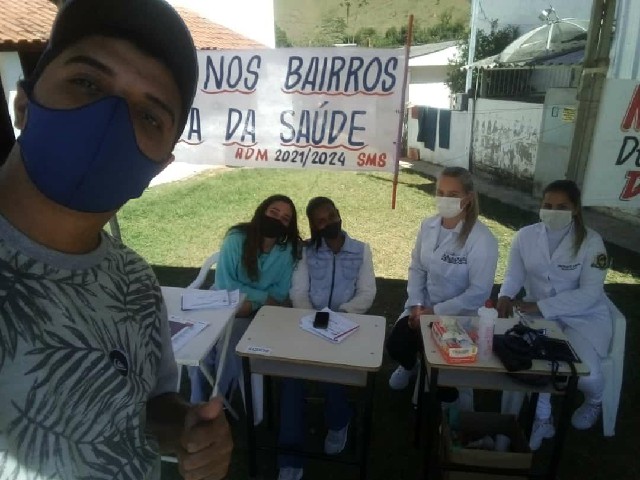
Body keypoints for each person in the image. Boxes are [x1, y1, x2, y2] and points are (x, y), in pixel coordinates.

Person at [0, 0, 233, 478]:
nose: (110, 121)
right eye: (87, 83)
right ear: (24, 104)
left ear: (158, 167)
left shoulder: (136, 283)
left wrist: (184, 428)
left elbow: (145, 405)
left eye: (149, 116)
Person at [497, 180, 612, 450]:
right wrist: (505, 294)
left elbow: (590, 293)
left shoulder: (591, 242)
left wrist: (540, 306)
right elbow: (514, 274)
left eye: (562, 207)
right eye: (548, 205)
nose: (553, 211)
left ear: (575, 209)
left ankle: (594, 401)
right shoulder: (525, 236)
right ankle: (543, 417)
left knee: (586, 374)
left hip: (583, 316)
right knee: (537, 364)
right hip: (538, 313)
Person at [278, 196, 376, 480]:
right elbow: (299, 292)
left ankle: (338, 421)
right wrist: (315, 321)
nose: (329, 223)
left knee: (334, 371)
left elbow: (367, 292)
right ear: (313, 226)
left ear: (339, 214)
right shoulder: (305, 252)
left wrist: (342, 316)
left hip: (347, 326)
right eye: (321, 221)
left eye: (332, 216)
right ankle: (290, 457)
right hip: (309, 325)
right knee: (292, 379)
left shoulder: (361, 250)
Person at [386, 167, 498, 397]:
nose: (445, 199)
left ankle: (438, 382)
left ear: (468, 198)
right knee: (397, 345)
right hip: (423, 306)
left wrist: (435, 312)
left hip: (459, 315)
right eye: (440, 192)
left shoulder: (482, 239)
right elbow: (417, 267)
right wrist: (416, 304)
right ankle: (411, 366)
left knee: (444, 383)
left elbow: (479, 292)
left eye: (453, 194)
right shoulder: (428, 226)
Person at [189, 194, 301, 403]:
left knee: (229, 344)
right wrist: (258, 297)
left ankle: (218, 400)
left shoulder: (285, 252)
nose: (277, 220)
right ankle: (197, 400)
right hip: (222, 302)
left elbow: (280, 293)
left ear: (288, 227)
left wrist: (251, 305)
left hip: (257, 312)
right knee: (203, 342)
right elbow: (225, 284)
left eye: (285, 218)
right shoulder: (236, 238)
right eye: (273, 212)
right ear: (262, 212)